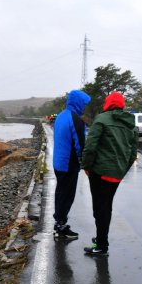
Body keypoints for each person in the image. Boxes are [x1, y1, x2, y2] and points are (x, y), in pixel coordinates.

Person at [81, 92, 138, 255]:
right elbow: (133, 153)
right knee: (106, 206)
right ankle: (101, 238)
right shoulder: (130, 124)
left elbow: (90, 146)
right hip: (116, 173)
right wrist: (122, 170)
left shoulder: (101, 119)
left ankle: (101, 246)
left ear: (108, 103)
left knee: (100, 208)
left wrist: (86, 166)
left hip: (99, 172)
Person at [52, 89, 91, 239]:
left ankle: (58, 221)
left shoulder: (61, 116)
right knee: (67, 195)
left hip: (58, 162)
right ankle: (61, 226)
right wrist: (86, 164)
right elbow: (80, 145)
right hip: (69, 163)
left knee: (60, 192)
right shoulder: (76, 120)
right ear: (78, 103)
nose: (84, 106)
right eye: (84, 103)